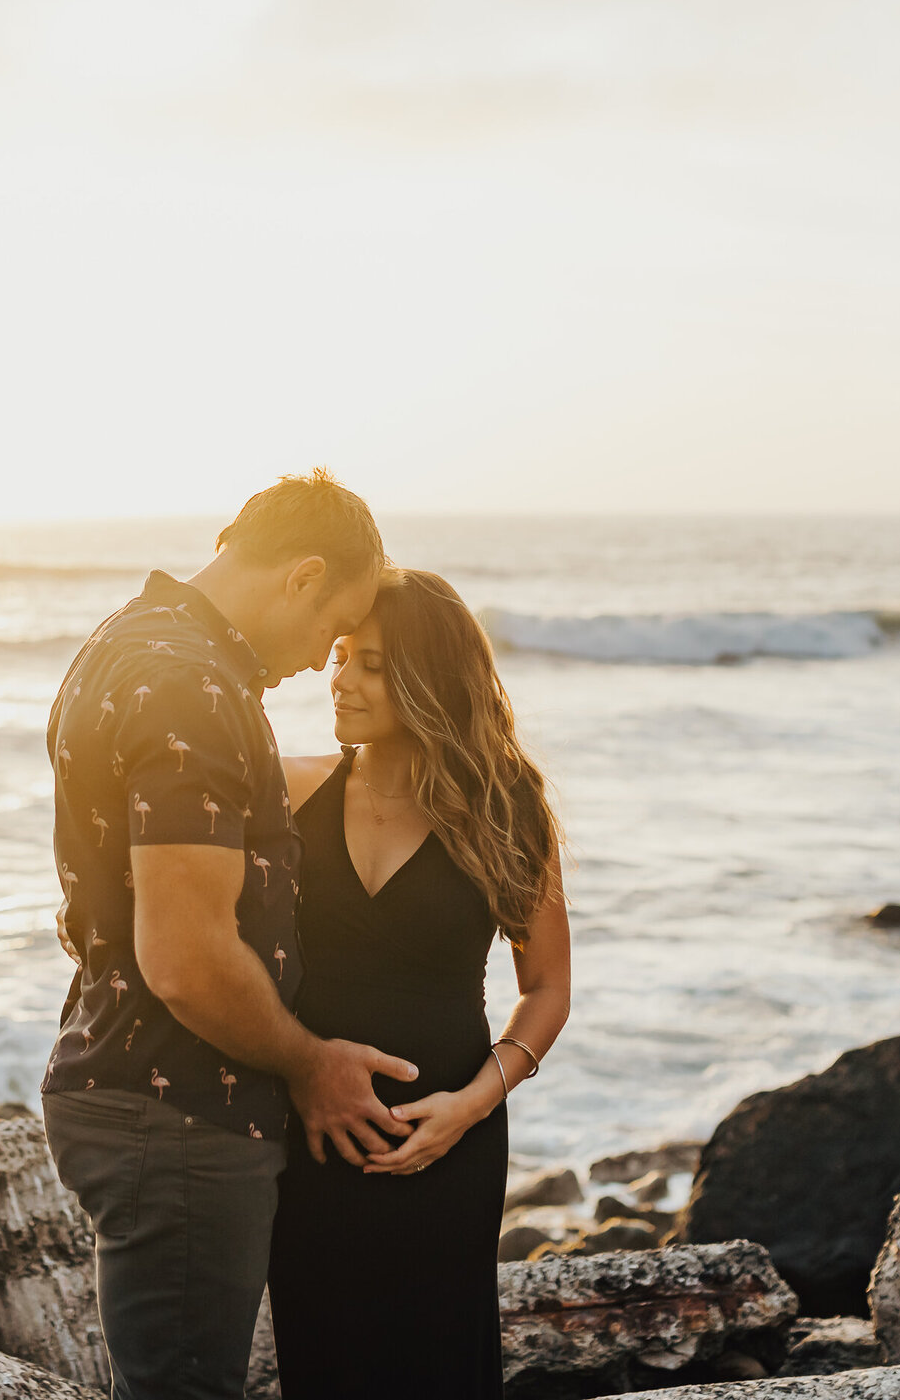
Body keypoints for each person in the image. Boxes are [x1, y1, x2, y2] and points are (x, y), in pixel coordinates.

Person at [41, 471, 421, 1400]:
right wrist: (309, 1063)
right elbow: (186, 955)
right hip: (179, 1115)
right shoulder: (190, 686)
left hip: (134, 1087)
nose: (323, 656)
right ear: (301, 576)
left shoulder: (128, 642)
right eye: (334, 626)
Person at [268, 569, 573, 1400]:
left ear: (426, 675)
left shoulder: (504, 808)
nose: (340, 679)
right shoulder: (289, 789)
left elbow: (546, 988)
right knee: (323, 1359)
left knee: (438, 1363)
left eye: (370, 662)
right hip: (312, 1133)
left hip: (450, 1140)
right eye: (339, 654)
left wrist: (471, 1106)